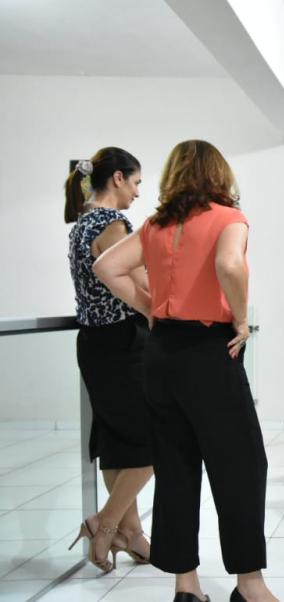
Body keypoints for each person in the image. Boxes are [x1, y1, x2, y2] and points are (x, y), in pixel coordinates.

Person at [95, 139, 277, 602]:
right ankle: (250, 586)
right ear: (220, 174)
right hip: (208, 352)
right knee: (241, 465)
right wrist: (239, 318)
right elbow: (229, 265)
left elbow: (107, 267)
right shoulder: (228, 218)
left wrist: (150, 307)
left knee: (176, 469)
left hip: (160, 355)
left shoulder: (157, 223)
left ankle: (187, 587)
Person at [64, 147, 154, 573]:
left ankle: (132, 534)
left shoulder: (81, 223)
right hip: (122, 341)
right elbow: (139, 283)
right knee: (156, 440)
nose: (138, 192)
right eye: (136, 182)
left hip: (94, 343)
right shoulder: (111, 223)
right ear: (117, 178)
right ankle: (105, 524)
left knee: (118, 442)